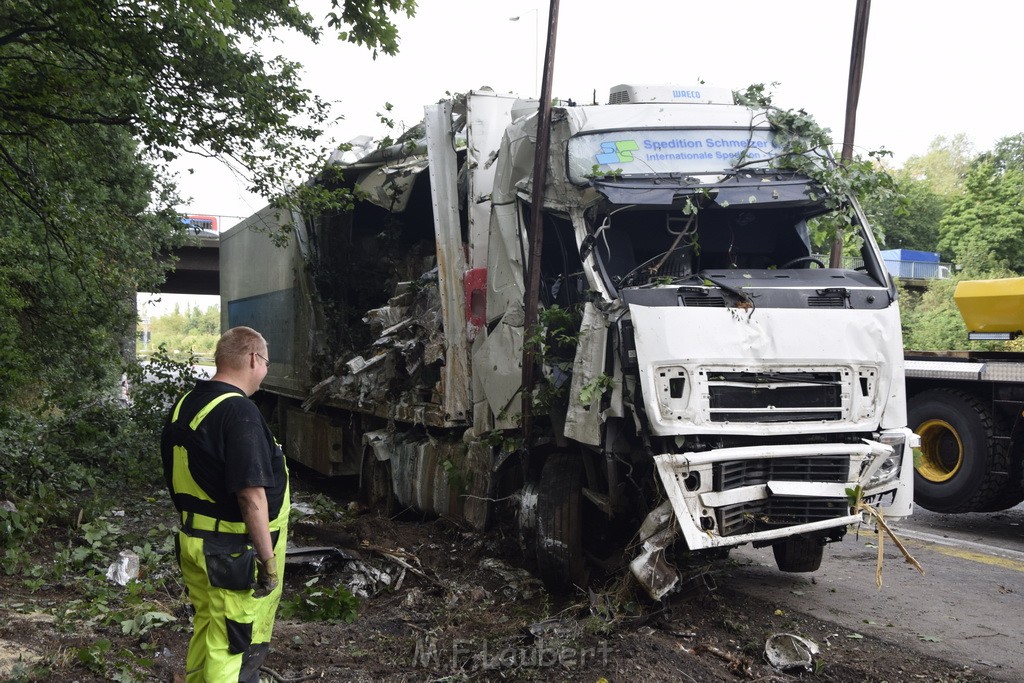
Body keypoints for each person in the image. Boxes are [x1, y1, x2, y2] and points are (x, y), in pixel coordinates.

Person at [161, 326, 290, 682]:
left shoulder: (188, 403)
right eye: (265, 362)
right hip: (232, 553)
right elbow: (251, 496)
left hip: (195, 542)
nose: (265, 371)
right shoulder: (239, 412)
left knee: (208, 629)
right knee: (231, 645)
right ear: (253, 359)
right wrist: (268, 562)